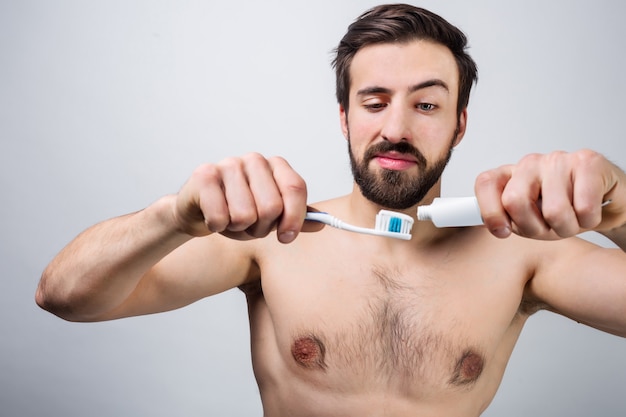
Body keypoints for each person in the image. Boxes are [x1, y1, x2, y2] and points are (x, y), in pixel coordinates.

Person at [36, 4, 626, 416]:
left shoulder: (521, 256)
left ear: (458, 124)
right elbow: (64, 296)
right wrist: (171, 218)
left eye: (426, 104)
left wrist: (620, 210)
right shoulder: (272, 238)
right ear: (345, 117)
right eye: (374, 102)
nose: (395, 128)